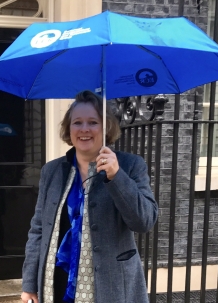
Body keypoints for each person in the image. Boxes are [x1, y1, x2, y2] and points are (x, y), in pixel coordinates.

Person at [21, 90, 158, 303]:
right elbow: (38, 229)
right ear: (69, 128)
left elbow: (144, 221)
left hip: (109, 286)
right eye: (77, 122)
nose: (84, 129)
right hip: (56, 281)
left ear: (106, 128)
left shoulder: (131, 166)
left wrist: (116, 177)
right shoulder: (52, 171)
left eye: (93, 122)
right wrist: (29, 284)